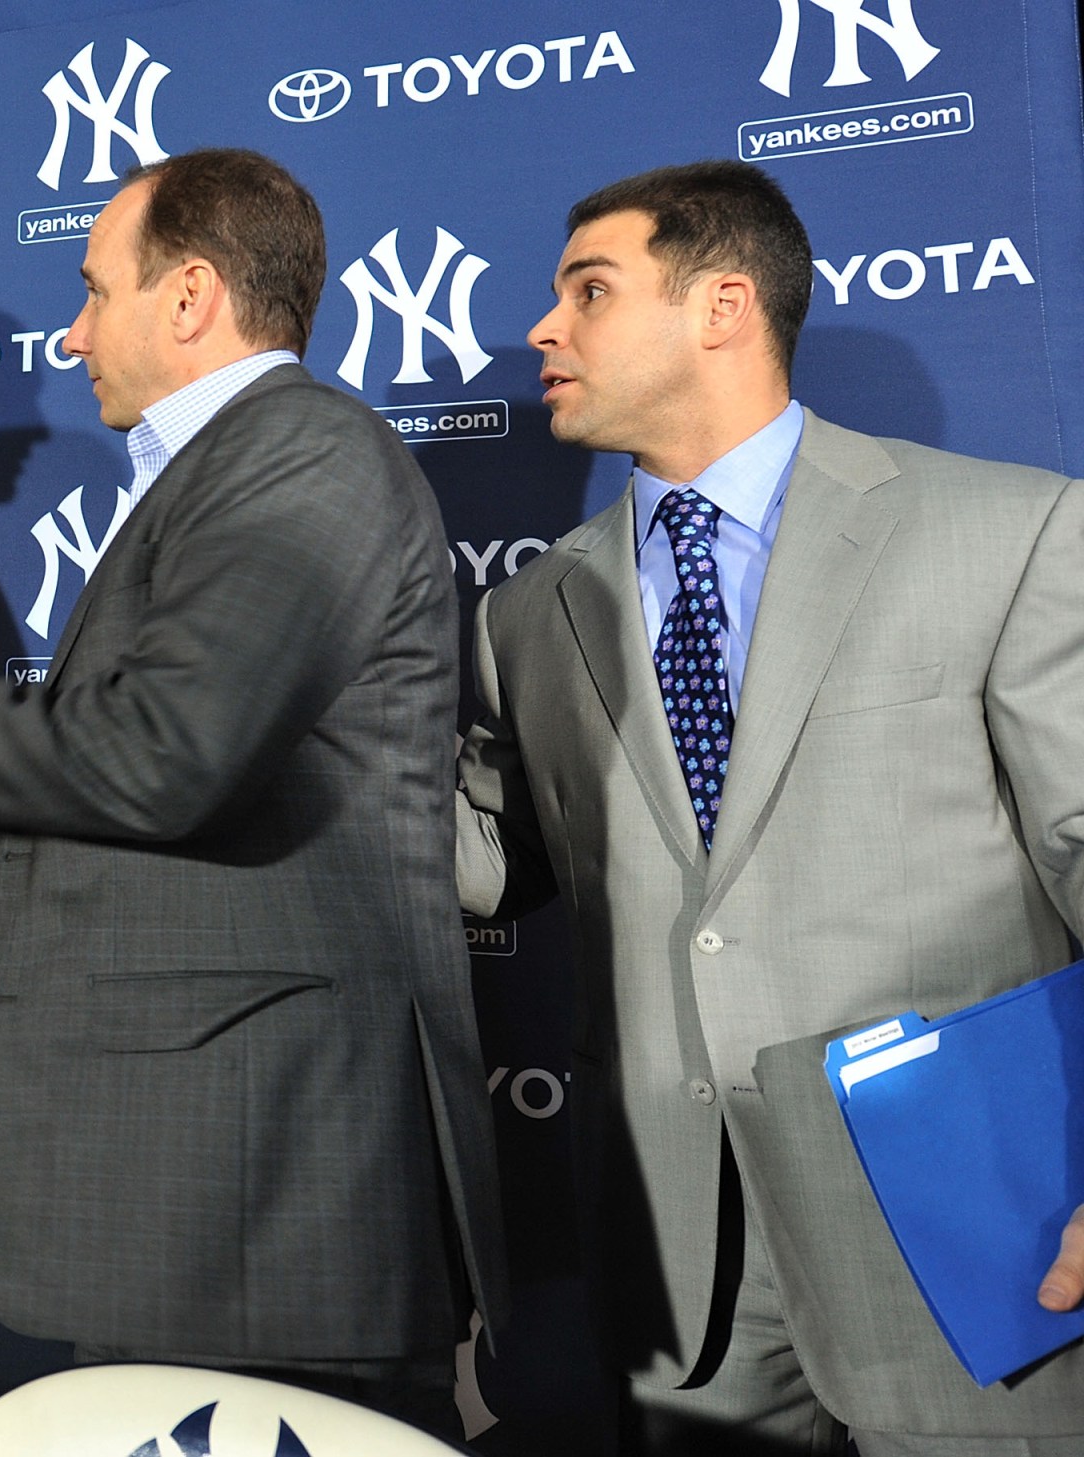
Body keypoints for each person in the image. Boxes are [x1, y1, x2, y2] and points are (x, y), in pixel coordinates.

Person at [0, 147, 504, 1438]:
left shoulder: (304, 456)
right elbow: (189, 789)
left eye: (92, 291)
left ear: (188, 295)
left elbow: (166, 757)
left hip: (261, 1191)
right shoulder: (220, 473)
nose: (70, 335)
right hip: (189, 1184)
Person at [455, 159, 1084, 1454]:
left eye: (589, 290)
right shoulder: (529, 612)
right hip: (680, 1275)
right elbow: (483, 866)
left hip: (974, 1236)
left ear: (723, 305)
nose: (543, 331)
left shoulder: (1008, 534)